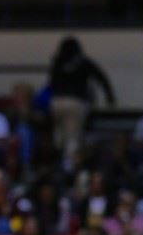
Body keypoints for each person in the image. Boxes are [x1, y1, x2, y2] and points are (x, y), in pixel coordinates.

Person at [47, 36, 114, 166]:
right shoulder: (84, 62)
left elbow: (50, 83)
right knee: (73, 137)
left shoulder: (57, 62)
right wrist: (110, 97)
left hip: (57, 102)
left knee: (60, 134)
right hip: (75, 102)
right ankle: (68, 167)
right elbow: (101, 77)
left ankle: (58, 159)